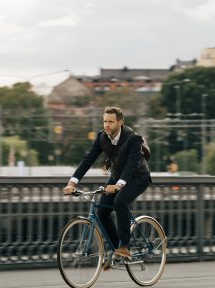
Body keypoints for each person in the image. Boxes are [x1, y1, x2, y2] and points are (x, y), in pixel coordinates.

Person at [63, 106, 151, 260]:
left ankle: (124, 247)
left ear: (120, 122)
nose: (106, 125)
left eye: (110, 122)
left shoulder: (133, 138)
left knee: (119, 202)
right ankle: (117, 249)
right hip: (117, 176)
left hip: (138, 176)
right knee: (102, 212)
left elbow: (131, 164)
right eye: (104, 121)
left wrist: (118, 185)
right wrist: (72, 183)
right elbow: (87, 160)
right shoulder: (101, 137)